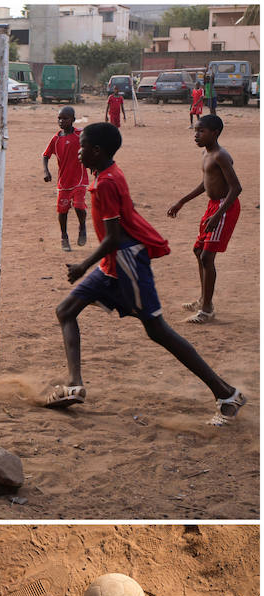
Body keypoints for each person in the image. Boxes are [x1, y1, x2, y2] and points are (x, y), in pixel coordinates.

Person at [45, 122, 245, 426]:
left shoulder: (107, 183)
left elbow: (114, 237)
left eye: (83, 147)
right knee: (66, 310)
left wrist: (82, 266)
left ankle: (226, 393)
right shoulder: (105, 174)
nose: (79, 152)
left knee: (158, 330)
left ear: (97, 152)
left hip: (127, 263)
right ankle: (75, 385)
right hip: (111, 265)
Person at [166, 114, 241, 324]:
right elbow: (206, 183)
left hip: (225, 207)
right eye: (195, 131)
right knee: (198, 251)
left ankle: (207, 310)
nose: (196, 135)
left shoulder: (220, 155)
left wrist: (218, 215)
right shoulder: (206, 154)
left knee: (207, 257)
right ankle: (203, 299)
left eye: (201, 131)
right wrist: (182, 201)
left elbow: (236, 188)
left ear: (214, 133)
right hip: (213, 207)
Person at [43, 106, 89, 251]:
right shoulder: (56, 139)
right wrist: (46, 171)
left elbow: (92, 146)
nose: (61, 121)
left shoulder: (80, 134)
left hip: (80, 179)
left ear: (73, 120)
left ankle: (82, 227)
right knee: (62, 211)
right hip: (64, 182)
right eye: (59, 118)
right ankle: (64, 237)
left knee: (79, 206)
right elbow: (45, 155)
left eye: (65, 118)